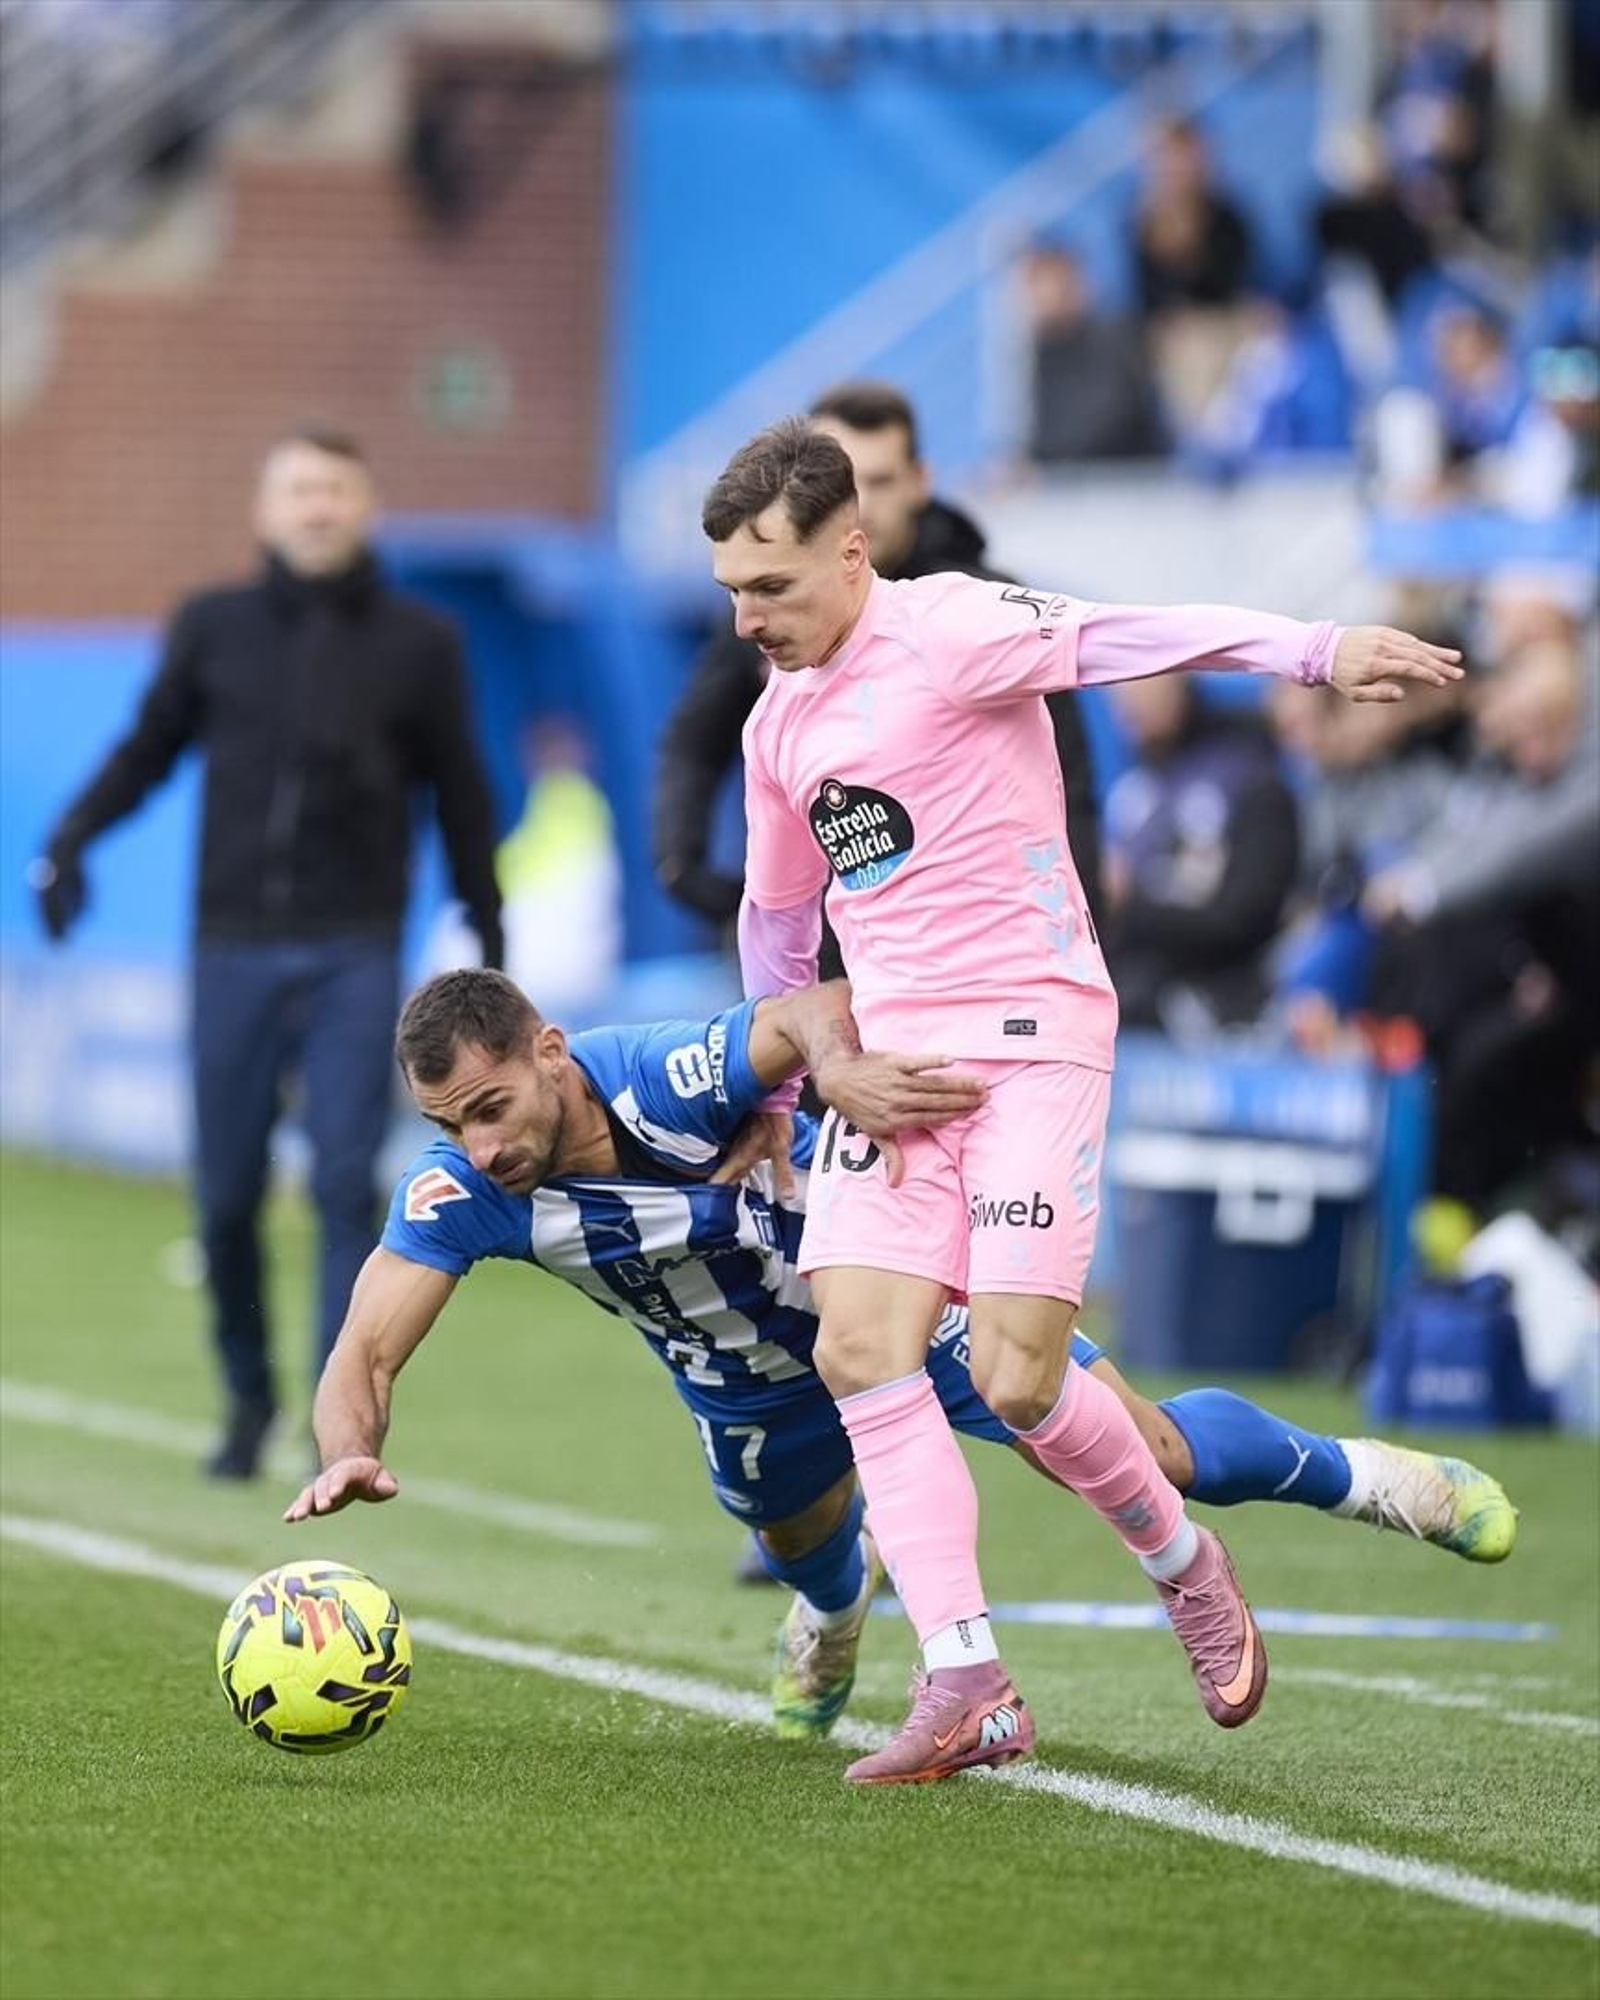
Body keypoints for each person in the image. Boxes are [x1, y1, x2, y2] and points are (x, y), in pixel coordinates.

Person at [710, 418, 1463, 1784]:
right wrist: (785, 1072)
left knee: (1016, 1376)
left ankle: (1185, 1565)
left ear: (853, 551)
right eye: (732, 593)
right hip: (892, 1073)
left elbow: (1131, 634)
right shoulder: (778, 724)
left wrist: (1314, 650)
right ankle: (966, 1682)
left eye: (772, 586)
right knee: (858, 1349)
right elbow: (777, 916)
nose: (749, 620)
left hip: (1032, 1039)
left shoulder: (953, 628)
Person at [284, 969, 1515, 1749]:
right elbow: (365, 1347)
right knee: (802, 1547)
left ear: (550, 1051)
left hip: (893, 1309)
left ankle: (1374, 1478)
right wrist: (348, 1451)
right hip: (742, 1390)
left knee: (1152, 1449)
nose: (479, 1145)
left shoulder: (664, 1072)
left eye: (491, 1107)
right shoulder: (463, 1193)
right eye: (449, 1123)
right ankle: (832, 1615)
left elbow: (810, 1005)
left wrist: (824, 1076)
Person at [30, 428, 504, 1480]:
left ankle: (337, 1421)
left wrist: (489, 923)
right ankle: (248, 1396)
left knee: (343, 1180)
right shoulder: (214, 626)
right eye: (299, 490)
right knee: (227, 1193)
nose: (318, 507)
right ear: (266, 510)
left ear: (365, 507)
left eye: (336, 488)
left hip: (354, 949)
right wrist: (68, 842)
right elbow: (146, 751)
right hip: (233, 946)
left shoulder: (421, 641)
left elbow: (462, 790)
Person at [653, 382, 1103, 943]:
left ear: (920, 482)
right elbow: (696, 741)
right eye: (841, 482)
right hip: (816, 931)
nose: (859, 503)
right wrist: (683, 864)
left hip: (957, 941)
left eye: (880, 481)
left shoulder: (983, 605)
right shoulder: (767, 608)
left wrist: (1079, 935)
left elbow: (1066, 784)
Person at [1102, 677, 1301, 1032]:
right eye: (1120, 689)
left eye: (1145, 680)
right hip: (1128, 987)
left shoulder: (1249, 780)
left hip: (1222, 996)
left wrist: (1128, 904)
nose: (1131, 699)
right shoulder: (1131, 791)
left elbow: (1241, 919)